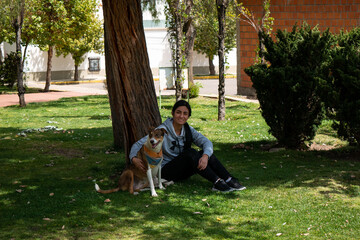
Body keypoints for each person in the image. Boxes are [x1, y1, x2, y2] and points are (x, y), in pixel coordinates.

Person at [130, 100, 246, 192]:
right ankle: (217, 182)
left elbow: (207, 142)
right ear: (172, 113)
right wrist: (133, 158)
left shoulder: (187, 129)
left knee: (205, 153)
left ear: (188, 116)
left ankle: (228, 178)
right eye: (178, 112)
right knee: (191, 152)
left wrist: (205, 156)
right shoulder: (161, 131)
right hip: (166, 170)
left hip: (183, 168)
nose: (181, 116)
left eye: (185, 114)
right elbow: (138, 144)